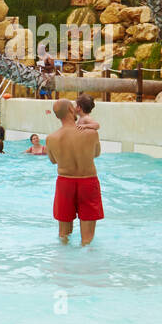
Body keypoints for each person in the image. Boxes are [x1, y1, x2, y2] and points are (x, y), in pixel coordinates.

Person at [46, 98, 103, 246]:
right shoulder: (91, 134)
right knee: (88, 240)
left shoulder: (51, 138)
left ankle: (64, 266)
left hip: (65, 183)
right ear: (72, 110)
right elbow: (96, 154)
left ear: (57, 116)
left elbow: (53, 160)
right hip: (88, 181)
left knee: (63, 236)